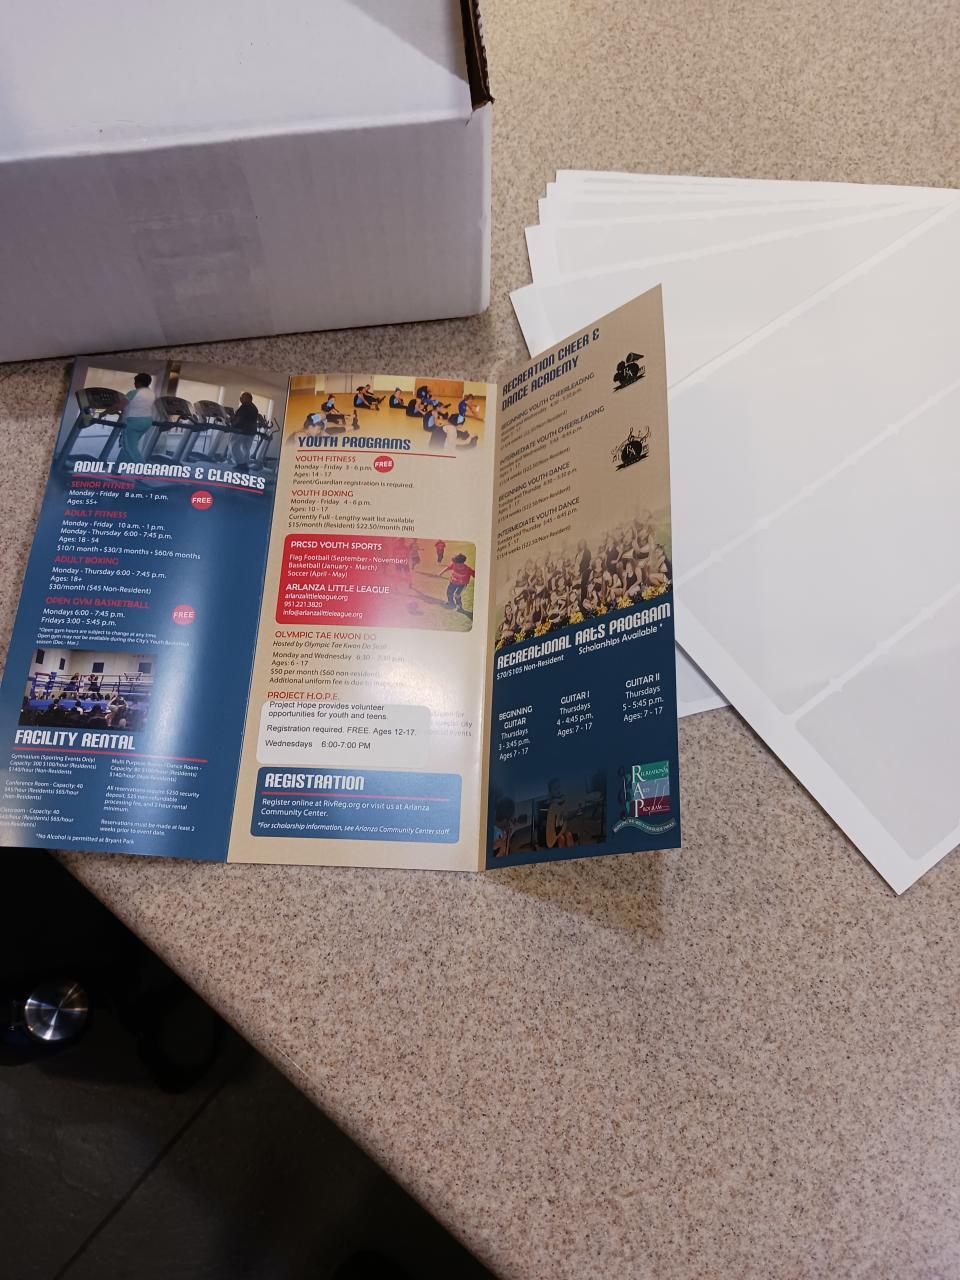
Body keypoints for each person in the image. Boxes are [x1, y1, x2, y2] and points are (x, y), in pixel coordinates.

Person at [120, 372, 157, 464]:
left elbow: (119, 406)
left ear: (139, 382)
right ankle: (117, 468)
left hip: (133, 422)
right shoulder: (151, 394)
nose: (134, 384)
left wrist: (105, 412)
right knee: (128, 444)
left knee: (130, 447)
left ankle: (142, 469)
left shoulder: (134, 392)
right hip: (147, 422)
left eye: (135, 382)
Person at [230, 392, 260, 470]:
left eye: (243, 397)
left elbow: (239, 418)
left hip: (242, 430)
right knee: (246, 448)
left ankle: (240, 464)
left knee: (234, 446)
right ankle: (245, 464)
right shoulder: (254, 407)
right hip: (251, 431)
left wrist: (232, 424)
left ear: (248, 398)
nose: (241, 398)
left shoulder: (245, 406)